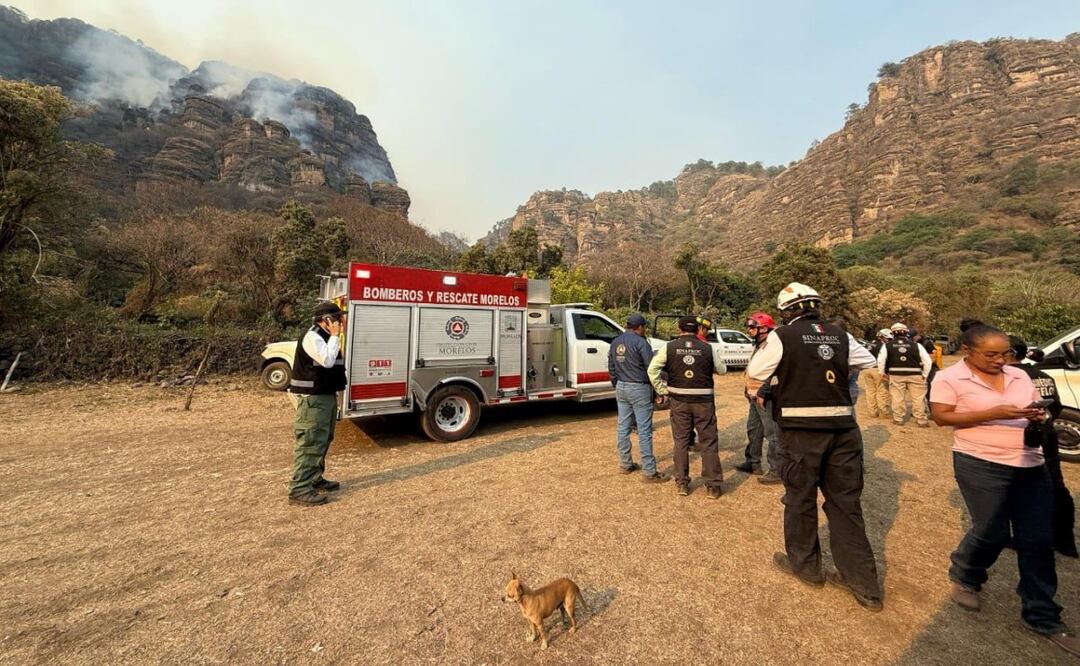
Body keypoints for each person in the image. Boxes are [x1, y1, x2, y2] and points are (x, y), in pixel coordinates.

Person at [930, 324, 1079, 658]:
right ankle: (966, 573)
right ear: (968, 350)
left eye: (1006, 353)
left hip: (1030, 462)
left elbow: (1032, 407)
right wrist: (994, 413)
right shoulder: (950, 379)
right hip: (980, 462)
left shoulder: (1019, 376)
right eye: (992, 354)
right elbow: (941, 417)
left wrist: (1036, 415)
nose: (1001, 360)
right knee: (992, 531)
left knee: (1038, 539)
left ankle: (1042, 614)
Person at [747, 282, 883, 611]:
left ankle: (806, 567)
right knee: (845, 505)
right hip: (843, 431)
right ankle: (863, 584)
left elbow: (755, 371)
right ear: (816, 305)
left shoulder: (782, 335)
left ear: (786, 311)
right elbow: (868, 362)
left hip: (801, 432)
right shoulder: (839, 334)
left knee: (800, 499)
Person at [1008, 336, 1076, 559]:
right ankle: (1065, 540)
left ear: (1009, 353)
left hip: (1022, 437)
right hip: (1046, 434)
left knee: (1021, 488)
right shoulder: (1042, 375)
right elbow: (1054, 407)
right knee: (1056, 484)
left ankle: (1025, 537)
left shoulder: (1011, 377)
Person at [648, 315, 727, 499]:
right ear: (698, 329)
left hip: (679, 401)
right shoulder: (708, 348)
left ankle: (682, 483)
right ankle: (713, 486)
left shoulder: (669, 347)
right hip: (704, 402)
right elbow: (722, 370)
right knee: (708, 442)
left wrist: (663, 390)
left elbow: (652, 370)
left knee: (681, 441)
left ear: (679, 329)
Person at [287, 301, 347, 506]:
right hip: (313, 399)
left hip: (324, 396)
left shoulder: (325, 337)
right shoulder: (313, 337)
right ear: (326, 320)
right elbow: (327, 361)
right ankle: (300, 488)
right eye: (337, 318)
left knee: (323, 438)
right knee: (311, 442)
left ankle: (314, 478)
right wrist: (335, 336)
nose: (341, 321)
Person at [608, 313, 667, 482]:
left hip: (622, 386)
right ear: (640, 327)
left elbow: (611, 366)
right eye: (644, 327)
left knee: (623, 427)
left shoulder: (615, 342)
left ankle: (625, 464)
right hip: (639, 387)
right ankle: (649, 471)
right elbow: (651, 369)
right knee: (644, 430)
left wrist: (616, 384)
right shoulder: (642, 343)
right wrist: (657, 392)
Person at [735, 311, 783, 484]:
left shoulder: (774, 346)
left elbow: (776, 372)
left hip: (765, 396)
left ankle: (776, 470)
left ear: (763, 328)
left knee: (772, 433)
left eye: (752, 327)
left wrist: (764, 391)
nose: (749, 330)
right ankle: (753, 463)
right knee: (753, 429)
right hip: (754, 394)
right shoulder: (760, 344)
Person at [878, 322, 932, 427]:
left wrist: (882, 372)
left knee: (897, 397)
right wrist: (925, 374)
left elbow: (881, 361)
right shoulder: (917, 345)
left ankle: (898, 418)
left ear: (893, 333)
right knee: (918, 398)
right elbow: (927, 361)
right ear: (906, 332)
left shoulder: (887, 346)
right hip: (916, 374)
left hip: (896, 374)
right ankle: (921, 420)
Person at [862, 329, 893, 418]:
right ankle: (884, 413)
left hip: (866, 369)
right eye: (889, 339)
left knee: (870, 391)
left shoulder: (870, 344)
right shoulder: (884, 346)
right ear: (883, 337)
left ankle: (873, 412)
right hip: (877, 369)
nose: (889, 341)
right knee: (882, 391)